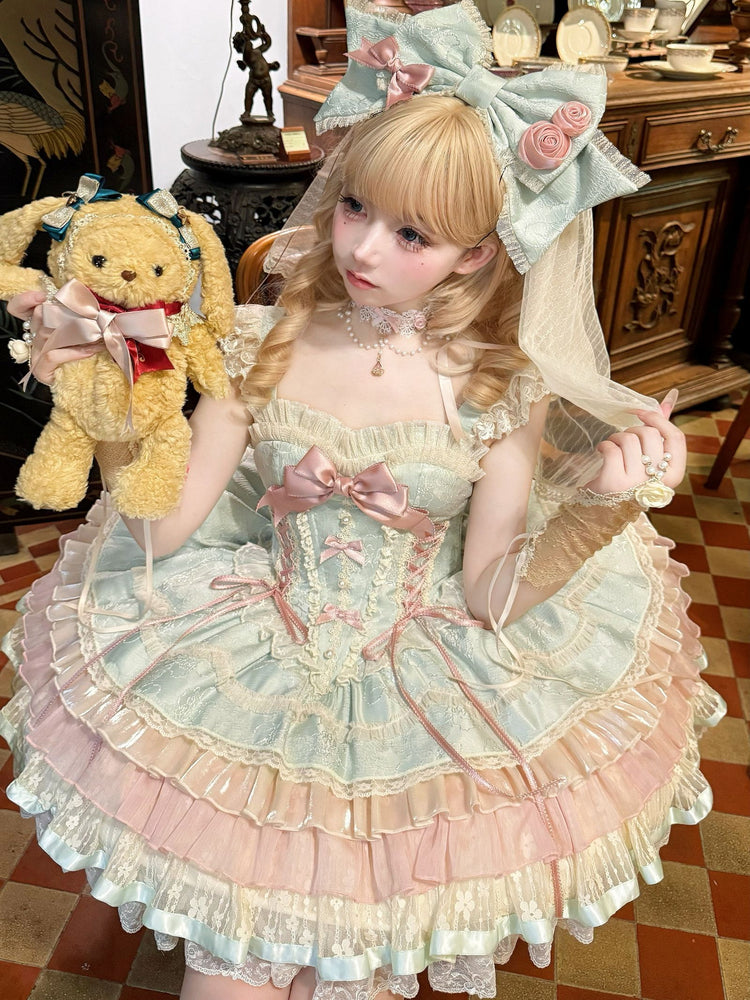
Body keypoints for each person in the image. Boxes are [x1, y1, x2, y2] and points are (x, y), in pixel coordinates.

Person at [1, 3, 725, 999]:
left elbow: (490, 598)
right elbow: (159, 530)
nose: (364, 250)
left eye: (411, 232)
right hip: (248, 665)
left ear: (476, 253)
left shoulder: (498, 389)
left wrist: (602, 505)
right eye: (353, 207)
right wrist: (117, 404)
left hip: (427, 693)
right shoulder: (263, 343)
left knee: (353, 972)